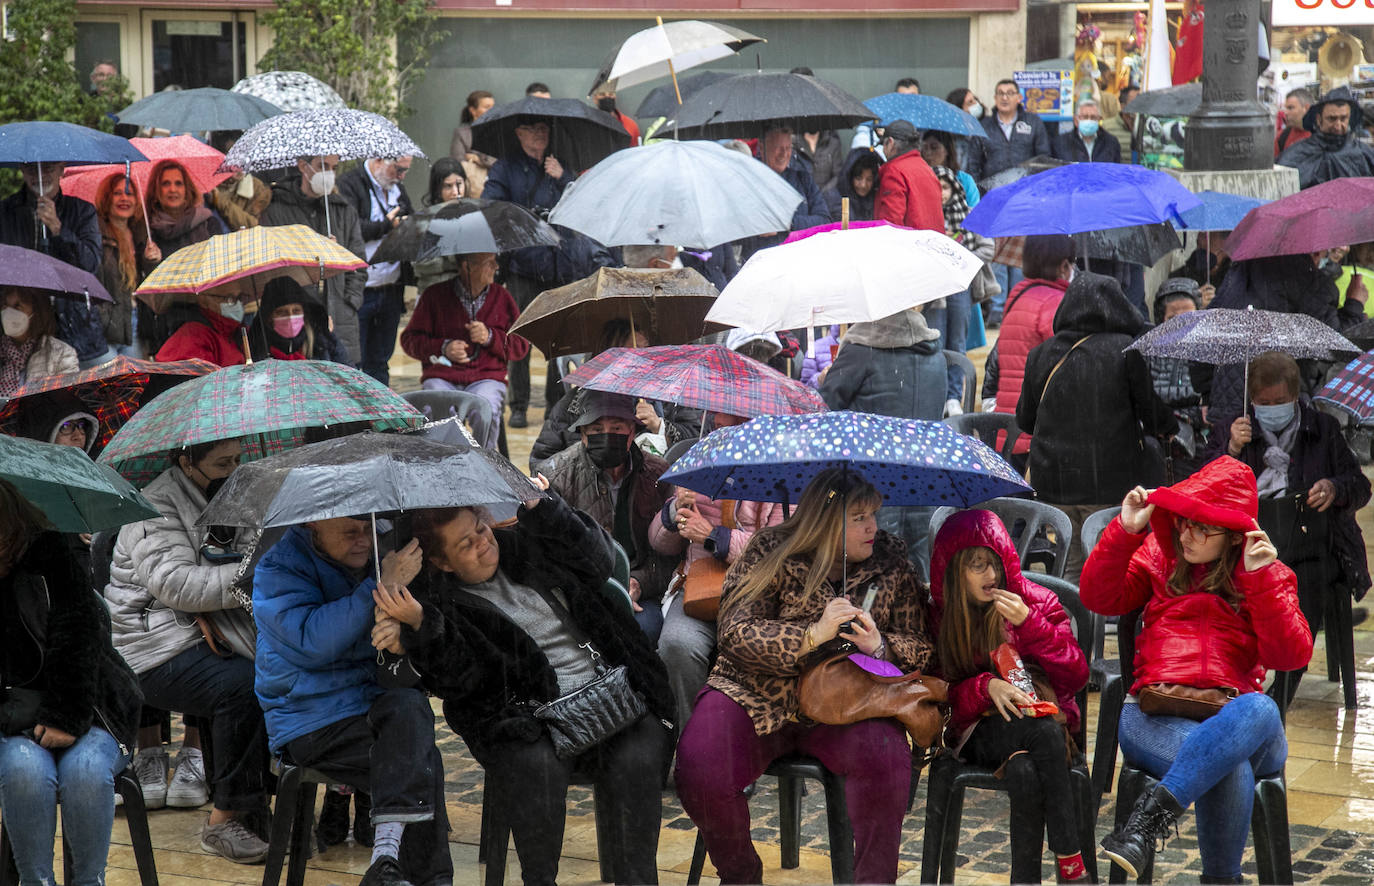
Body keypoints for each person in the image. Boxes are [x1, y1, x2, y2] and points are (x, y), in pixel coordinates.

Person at [399, 481, 675, 886]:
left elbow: (599, 562)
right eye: (465, 545)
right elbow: (466, 682)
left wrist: (547, 510)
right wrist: (424, 628)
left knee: (638, 755)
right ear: (442, 562)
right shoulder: (439, 604)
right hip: (528, 719)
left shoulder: (528, 545)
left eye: (480, 528)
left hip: (610, 696)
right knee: (536, 768)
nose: (482, 542)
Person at [674, 467, 933, 885]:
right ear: (828, 521)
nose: (873, 527)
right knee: (700, 766)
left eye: (874, 515)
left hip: (849, 700)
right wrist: (811, 635)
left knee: (886, 760)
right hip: (756, 692)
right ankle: (740, 873)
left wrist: (880, 646)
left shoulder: (891, 562)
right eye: (860, 518)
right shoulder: (770, 550)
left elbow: (921, 645)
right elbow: (735, 633)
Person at [1081, 463, 1312, 883]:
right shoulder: (1157, 554)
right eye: (1183, 522)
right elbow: (1099, 596)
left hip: (1237, 718)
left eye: (1202, 529)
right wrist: (1125, 531)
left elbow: (1291, 655)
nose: (1186, 535)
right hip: (1153, 715)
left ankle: (1147, 822)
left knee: (1260, 707)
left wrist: (1261, 583)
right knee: (1230, 767)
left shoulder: (1263, 569)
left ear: (1232, 535)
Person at [252, 516, 453, 886]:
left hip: (368, 705)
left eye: (367, 529)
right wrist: (382, 585)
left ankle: (386, 865)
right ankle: (414, 875)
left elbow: (421, 637)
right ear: (314, 524)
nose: (363, 541)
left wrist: (404, 631)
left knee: (412, 714)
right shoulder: (277, 570)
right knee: (420, 761)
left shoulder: (380, 555)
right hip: (310, 719)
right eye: (349, 533)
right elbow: (315, 642)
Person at [103, 438, 272, 863]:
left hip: (202, 628)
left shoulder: (235, 493)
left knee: (277, 673)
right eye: (221, 462)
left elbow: (235, 556)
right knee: (243, 687)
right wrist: (256, 573)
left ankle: (254, 805)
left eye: (237, 459)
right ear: (186, 461)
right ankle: (222, 820)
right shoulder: (155, 505)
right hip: (147, 646)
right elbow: (177, 584)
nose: (232, 469)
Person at [930, 509, 1091, 883]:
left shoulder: (1037, 602)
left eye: (994, 564)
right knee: (1042, 733)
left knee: (1025, 766)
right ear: (955, 571)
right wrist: (985, 687)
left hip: (1043, 722)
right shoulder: (940, 615)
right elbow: (938, 695)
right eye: (976, 566)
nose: (990, 575)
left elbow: (1077, 675)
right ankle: (1071, 860)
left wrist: (1028, 624)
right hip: (978, 730)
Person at [0, 479, 142, 886]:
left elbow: (81, 640)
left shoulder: (51, 556)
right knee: (25, 771)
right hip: (11, 722)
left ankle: (88, 882)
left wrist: (64, 714)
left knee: (85, 773)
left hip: (93, 710)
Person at [1211, 351, 1371, 704]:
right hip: (1250, 542)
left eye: (1280, 401)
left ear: (1295, 397)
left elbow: (1360, 486)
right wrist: (1231, 450)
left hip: (1312, 543)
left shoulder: (1322, 429)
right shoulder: (1233, 428)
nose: (1272, 408)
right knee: (1223, 586)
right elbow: (1204, 487)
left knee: (1306, 584)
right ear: (1252, 400)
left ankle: (1280, 694)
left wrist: (1334, 487)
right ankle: (1229, 680)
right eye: (1263, 402)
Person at [1017, 271, 1177, 580]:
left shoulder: (1040, 354)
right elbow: (1152, 415)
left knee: (1072, 565)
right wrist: (1170, 426)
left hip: (1053, 483)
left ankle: (1076, 624)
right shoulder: (1126, 352)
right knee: (1107, 560)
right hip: (1107, 482)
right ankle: (1104, 623)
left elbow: (1025, 419)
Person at [649, 409, 784, 729]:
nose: (721, 435)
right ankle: (692, 737)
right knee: (677, 644)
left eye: (732, 427)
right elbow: (659, 544)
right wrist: (674, 512)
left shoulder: (779, 473)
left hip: (757, 591)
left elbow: (780, 551)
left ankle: (746, 743)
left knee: (754, 651)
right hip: (699, 587)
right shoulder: (699, 462)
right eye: (718, 427)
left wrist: (714, 537)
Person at [819, 309, 944, 581]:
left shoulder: (861, 350)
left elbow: (824, 412)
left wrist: (825, 381)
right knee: (919, 572)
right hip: (926, 478)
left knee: (874, 569)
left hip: (870, 480)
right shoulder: (936, 353)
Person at [543, 390, 675, 640]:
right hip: (581, 591)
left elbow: (669, 553)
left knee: (643, 632)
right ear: (582, 436)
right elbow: (553, 552)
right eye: (595, 429)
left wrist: (638, 583)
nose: (607, 436)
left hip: (641, 592)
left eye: (617, 427)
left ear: (632, 433)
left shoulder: (659, 475)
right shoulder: (556, 476)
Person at [484, 118, 574, 429]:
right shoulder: (505, 168)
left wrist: (563, 178)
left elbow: (578, 201)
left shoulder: (561, 164)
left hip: (558, 266)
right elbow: (490, 204)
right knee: (518, 337)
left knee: (557, 341)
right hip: (522, 266)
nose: (540, 135)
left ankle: (555, 404)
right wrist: (522, 214)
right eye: (533, 129)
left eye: (544, 129)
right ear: (519, 133)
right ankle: (518, 404)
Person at [399, 251, 528, 449]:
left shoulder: (502, 298)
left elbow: (521, 346)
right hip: (442, 377)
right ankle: (443, 463)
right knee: (435, 406)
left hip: (486, 378)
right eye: (489, 263)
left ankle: (486, 466)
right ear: (467, 266)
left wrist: (490, 337)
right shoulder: (434, 296)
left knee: (487, 409)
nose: (496, 267)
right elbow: (409, 340)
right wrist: (443, 347)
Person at [260, 154, 368, 365]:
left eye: (334, 168)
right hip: (298, 325)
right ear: (303, 167)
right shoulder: (276, 209)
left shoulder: (343, 211)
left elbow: (359, 266)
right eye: (323, 166)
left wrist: (348, 303)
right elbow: (273, 267)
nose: (329, 174)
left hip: (340, 320)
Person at [0, 162, 109, 368]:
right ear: (22, 171)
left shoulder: (82, 211)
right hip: (23, 330)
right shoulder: (6, 212)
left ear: (62, 170)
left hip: (76, 329)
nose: (40, 176)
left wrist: (58, 230)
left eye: (48, 168)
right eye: (32, 169)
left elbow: (90, 266)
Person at [981, 234, 1077, 468]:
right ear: (1064, 265)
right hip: (1037, 430)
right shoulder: (1055, 303)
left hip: (1011, 427)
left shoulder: (1018, 295)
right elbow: (1066, 366)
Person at [338, 156, 414, 385]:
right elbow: (350, 228)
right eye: (398, 169)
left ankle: (383, 418)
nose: (401, 176)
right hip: (361, 289)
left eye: (405, 171)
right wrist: (387, 226)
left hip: (390, 286)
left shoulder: (395, 187)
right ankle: (361, 418)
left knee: (380, 361)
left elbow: (411, 217)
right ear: (379, 160)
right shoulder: (349, 183)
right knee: (354, 363)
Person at [739, 124, 830, 260]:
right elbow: (736, 226)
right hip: (759, 261)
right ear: (762, 148)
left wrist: (787, 223)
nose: (784, 153)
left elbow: (825, 221)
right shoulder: (747, 180)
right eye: (778, 148)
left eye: (788, 148)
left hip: (799, 259)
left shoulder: (803, 179)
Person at [92, 173, 159, 358]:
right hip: (106, 328)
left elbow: (147, 285)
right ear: (107, 198)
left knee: (136, 384)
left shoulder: (141, 235)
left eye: (130, 194)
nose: (124, 198)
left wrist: (152, 262)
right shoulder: (96, 235)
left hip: (135, 324)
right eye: (117, 193)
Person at [1148, 279, 1207, 476]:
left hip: (1203, 440)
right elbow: (1151, 395)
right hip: (1163, 438)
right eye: (1173, 317)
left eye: (1189, 316)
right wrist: (1193, 400)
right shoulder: (1150, 351)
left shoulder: (1209, 350)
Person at [1278, 86, 1374, 189]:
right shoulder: (1298, 153)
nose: (1338, 125)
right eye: (1332, 119)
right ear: (1319, 120)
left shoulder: (1363, 153)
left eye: (1343, 118)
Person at [246, 276, 349, 363]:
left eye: (296, 311)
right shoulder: (256, 347)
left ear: (304, 313)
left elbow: (346, 374)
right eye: (282, 312)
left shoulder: (323, 342)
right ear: (269, 317)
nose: (290, 317)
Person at [966, 78, 1053, 181]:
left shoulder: (1033, 122)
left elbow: (1044, 159)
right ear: (995, 98)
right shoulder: (984, 126)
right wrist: (977, 191)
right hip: (993, 190)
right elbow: (973, 163)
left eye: (1010, 93)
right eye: (1000, 93)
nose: (1004, 97)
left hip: (1025, 188)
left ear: (1019, 97)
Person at [1, 286, 79, 396]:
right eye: (5, 306)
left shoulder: (61, 354)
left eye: (17, 307)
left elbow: (66, 401)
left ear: (37, 311)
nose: (8, 313)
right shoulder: (3, 351)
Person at [873, 120, 944, 233]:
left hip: (907, 247)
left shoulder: (894, 171)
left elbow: (890, 224)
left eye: (883, 144)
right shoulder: (926, 168)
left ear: (890, 143)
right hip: (931, 245)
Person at [412, 157, 468, 295]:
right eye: (448, 186)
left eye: (459, 184)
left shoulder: (472, 215)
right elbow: (420, 265)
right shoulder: (424, 220)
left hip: (464, 293)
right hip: (432, 292)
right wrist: (454, 261)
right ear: (438, 189)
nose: (455, 192)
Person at [145, 160, 223, 258]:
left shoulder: (209, 223)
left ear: (187, 189)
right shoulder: (149, 230)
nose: (172, 189)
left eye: (178, 183)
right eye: (166, 184)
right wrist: (151, 262)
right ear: (156, 190)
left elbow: (221, 262)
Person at [154, 292, 248, 366]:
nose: (237, 304)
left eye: (239, 298)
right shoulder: (193, 335)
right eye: (229, 299)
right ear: (204, 300)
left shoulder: (237, 330)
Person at [450, 89, 497, 197]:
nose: (492, 110)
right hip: (473, 189)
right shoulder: (462, 133)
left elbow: (501, 161)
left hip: (497, 186)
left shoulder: (499, 131)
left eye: (493, 107)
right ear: (473, 110)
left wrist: (478, 159)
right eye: (487, 107)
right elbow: (457, 163)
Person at [1053, 99, 1121, 163]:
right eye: (1085, 117)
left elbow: (1114, 170)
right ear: (1076, 120)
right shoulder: (1061, 143)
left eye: (1093, 117)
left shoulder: (1111, 142)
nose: (1089, 120)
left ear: (1099, 120)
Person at [822, 149, 881, 222]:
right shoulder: (833, 199)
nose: (863, 185)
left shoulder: (874, 197)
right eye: (859, 178)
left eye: (869, 179)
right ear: (849, 177)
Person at [1275, 88, 1314, 158]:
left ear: (1306, 108)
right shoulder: (1282, 137)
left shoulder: (1324, 137)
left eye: (1290, 108)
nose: (1285, 112)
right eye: (1285, 108)